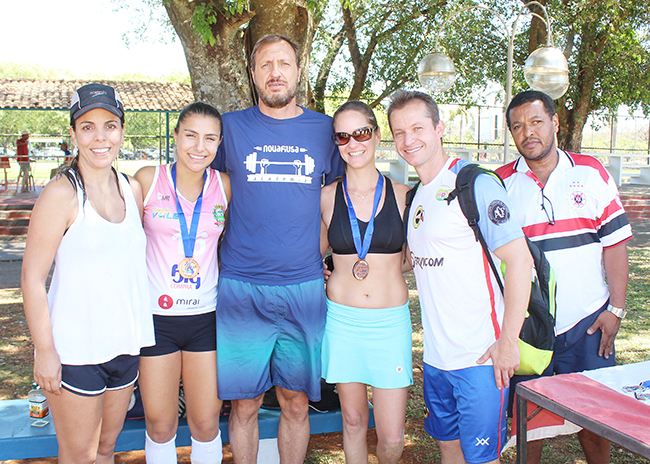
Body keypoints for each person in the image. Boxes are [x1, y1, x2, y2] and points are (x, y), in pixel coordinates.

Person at [210, 34, 344, 464]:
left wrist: (314, 254)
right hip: (240, 287)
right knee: (244, 404)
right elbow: (206, 194)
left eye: (283, 63)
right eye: (265, 64)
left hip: (302, 289)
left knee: (296, 401)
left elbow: (338, 203)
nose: (275, 72)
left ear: (298, 69)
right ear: (252, 74)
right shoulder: (230, 128)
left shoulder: (325, 130)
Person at [386, 89, 532, 464]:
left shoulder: (472, 184)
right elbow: (413, 260)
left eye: (418, 127)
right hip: (436, 358)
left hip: (481, 357)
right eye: (399, 132)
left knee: (481, 459)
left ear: (439, 128)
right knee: (448, 449)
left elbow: (519, 261)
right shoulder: (416, 196)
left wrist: (508, 341)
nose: (408, 139)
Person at [496, 90, 633, 464]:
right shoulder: (500, 184)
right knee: (527, 423)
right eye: (518, 126)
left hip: (588, 322)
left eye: (537, 121)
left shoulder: (591, 172)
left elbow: (616, 243)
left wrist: (615, 310)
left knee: (596, 421)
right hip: (530, 327)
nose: (529, 132)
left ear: (555, 123)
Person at [21, 83, 154, 462]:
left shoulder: (132, 190)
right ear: (74, 134)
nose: (100, 137)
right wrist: (44, 350)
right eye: (88, 127)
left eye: (110, 126)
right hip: (76, 352)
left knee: (107, 449)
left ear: (122, 131)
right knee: (79, 454)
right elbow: (31, 278)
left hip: (125, 347)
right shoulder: (61, 194)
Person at [135, 102, 231, 464]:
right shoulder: (146, 180)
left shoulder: (224, 186)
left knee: (205, 423)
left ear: (219, 143)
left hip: (205, 320)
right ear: (175, 136)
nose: (199, 147)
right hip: (157, 321)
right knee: (160, 425)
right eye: (190, 135)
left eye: (209, 138)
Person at [320, 101, 412, 464]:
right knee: (354, 420)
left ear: (375, 135)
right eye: (343, 136)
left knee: (391, 437)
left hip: (389, 324)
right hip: (342, 323)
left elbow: (414, 259)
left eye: (360, 133)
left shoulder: (405, 196)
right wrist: (323, 271)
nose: (353, 143)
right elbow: (310, 253)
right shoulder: (327, 196)